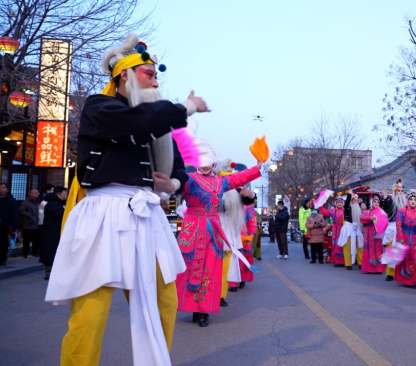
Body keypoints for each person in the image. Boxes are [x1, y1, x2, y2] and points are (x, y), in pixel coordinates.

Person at [44, 34, 208, 366]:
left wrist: (173, 181)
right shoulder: (100, 106)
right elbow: (133, 123)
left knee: (164, 301)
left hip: (147, 214)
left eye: (157, 75)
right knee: (91, 312)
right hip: (103, 213)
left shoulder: (155, 125)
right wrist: (186, 108)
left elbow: (177, 167)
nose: (156, 80)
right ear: (125, 75)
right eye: (150, 73)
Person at [176, 156, 261, 327]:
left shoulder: (221, 182)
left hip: (212, 231)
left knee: (210, 270)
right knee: (190, 269)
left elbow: (239, 178)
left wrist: (257, 167)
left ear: (213, 164)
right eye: (202, 161)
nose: (206, 166)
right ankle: (192, 307)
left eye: (209, 162)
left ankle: (203, 312)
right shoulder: (188, 179)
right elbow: (174, 185)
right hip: (192, 229)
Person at [394, 189, 416, 287]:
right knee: (405, 258)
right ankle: (407, 279)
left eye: (415, 199)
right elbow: (398, 225)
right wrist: (401, 238)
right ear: (407, 200)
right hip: (404, 237)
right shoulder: (401, 211)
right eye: (411, 199)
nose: (413, 201)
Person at [381, 180, 407, 281]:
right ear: (394, 192)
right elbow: (385, 209)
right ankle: (390, 273)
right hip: (392, 228)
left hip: (402, 228)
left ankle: (401, 271)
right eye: (398, 190)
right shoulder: (390, 201)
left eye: (401, 190)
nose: (400, 192)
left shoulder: (406, 203)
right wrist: (385, 197)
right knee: (391, 250)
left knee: (401, 250)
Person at [39, 187, 67, 280]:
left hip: (55, 232)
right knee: (51, 252)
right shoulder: (52, 204)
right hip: (51, 233)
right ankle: (49, 272)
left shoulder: (57, 203)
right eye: (64, 194)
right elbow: (61, 215)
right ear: (58, 194)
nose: (65, 196)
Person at [335, 193, 364, 270]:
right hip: (348, 229)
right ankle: (348, 264)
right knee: (347, 247)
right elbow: (347, 203)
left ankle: (361, 263)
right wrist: (349, 194)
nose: (356, 202)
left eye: (357, 200)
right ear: (351, 201)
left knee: (360, 246)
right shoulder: (348, 207)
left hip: (356, 229)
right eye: (354, 200)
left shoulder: (359, 209)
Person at [360, 195, 387, 274]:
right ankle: (370, 268)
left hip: (379, 233)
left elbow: (385, 221)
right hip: (370, 233)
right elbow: (361, 218)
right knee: (370, 249)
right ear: (371, 203)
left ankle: (378, 269)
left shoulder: (382, 212)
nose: (376, 203)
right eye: (374, 202)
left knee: (378, 249)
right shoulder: (368, 212)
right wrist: (370, 218)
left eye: (377, 202)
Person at [0, 183, 18, 266]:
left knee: (3, 242)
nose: (1, 189)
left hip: (5, 225)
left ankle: (2, 259)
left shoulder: (11, 200)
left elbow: (14, 214)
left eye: (3, 188)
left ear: (7, 190)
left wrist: (14, 227)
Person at [19, 189, 40, 258]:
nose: (37, 194)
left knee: (36, 239)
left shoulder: (37, 201)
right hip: (28, 224)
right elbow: (22, 211)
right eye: (35, 193)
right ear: (30, 194)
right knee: (27, 240)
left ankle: (35, 252)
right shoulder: (25, 202)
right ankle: (25, 253)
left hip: (36, 223)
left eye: (37, 193)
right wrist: (29, 215)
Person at [327, 196, 347, 267]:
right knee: (336, 244)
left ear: (343, 203)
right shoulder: (332, 210)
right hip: (336, 228)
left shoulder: (346, 210)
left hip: (344, 229)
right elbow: (324, 212)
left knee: (344, 244)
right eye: (337, 202)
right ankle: (337, 261)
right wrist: (320, 205)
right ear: (335, 203)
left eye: (341, 202)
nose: (339, 204)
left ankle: (345, 261)